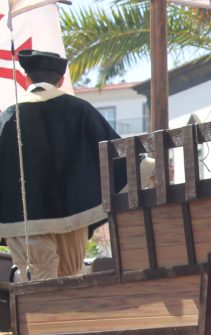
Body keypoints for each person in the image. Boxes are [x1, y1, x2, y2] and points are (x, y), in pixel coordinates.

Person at [0, 50, 124, 281]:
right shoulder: (81, 110)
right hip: (73, 216)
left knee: (36, 282)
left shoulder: (7, 117)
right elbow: (117, 151)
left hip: (24, 221)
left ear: (27, 79)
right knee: (71, 279)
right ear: (60, 80)